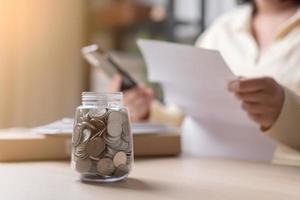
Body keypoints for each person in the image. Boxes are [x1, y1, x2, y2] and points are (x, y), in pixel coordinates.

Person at [110, 0, 300, 151]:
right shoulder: (222, 29)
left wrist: (285, 111)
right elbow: (186, 117)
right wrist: (148, 112)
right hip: (212, 171)